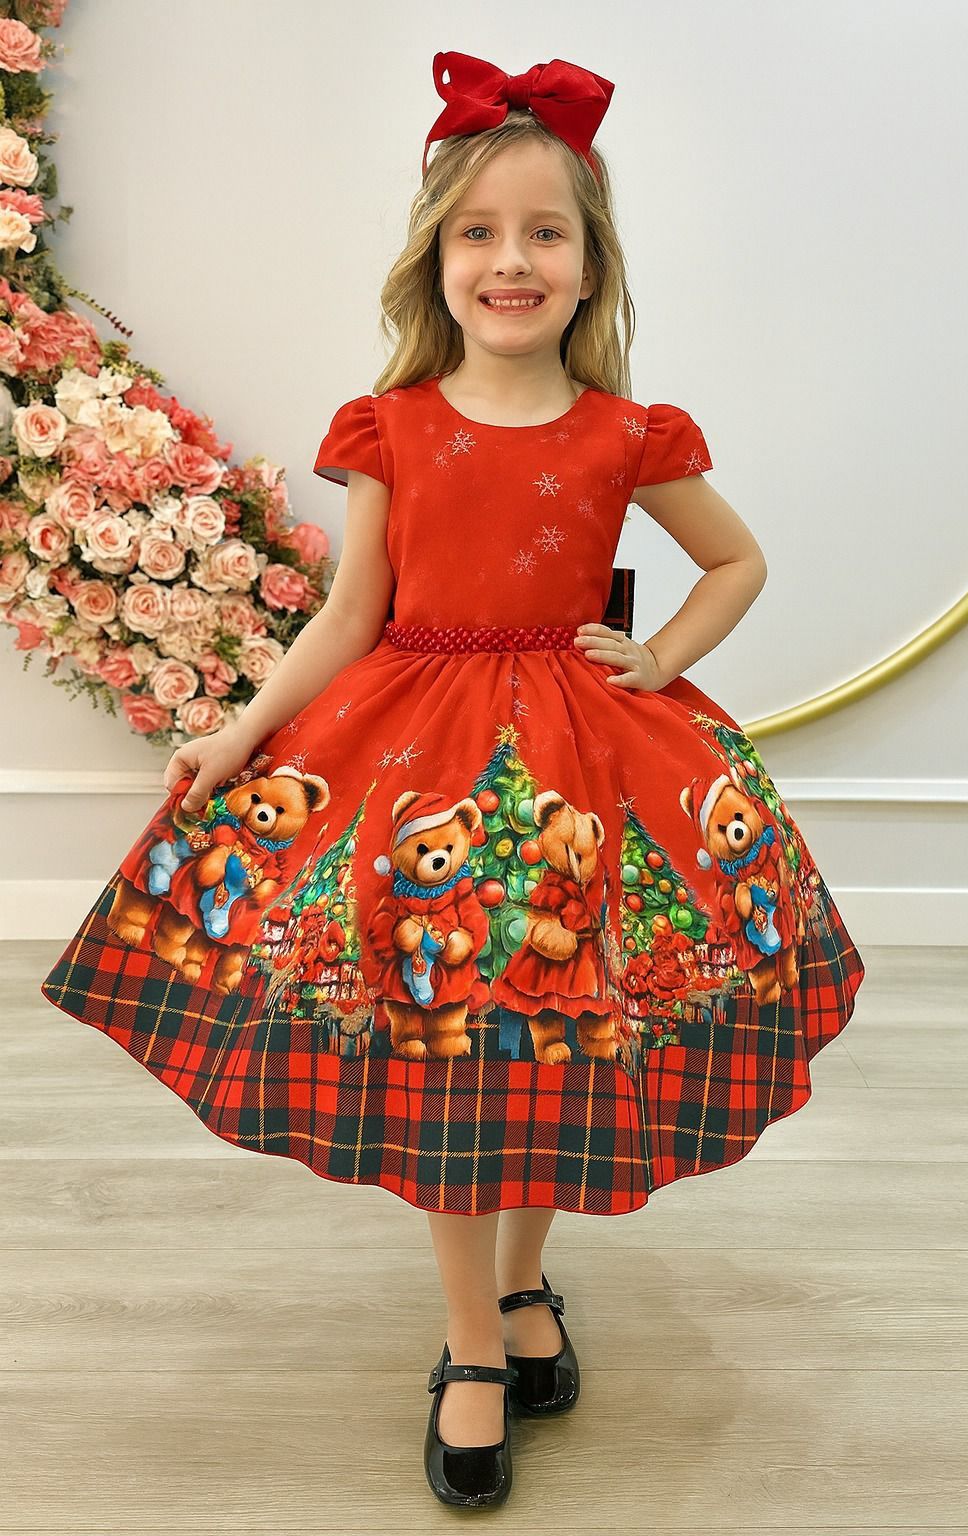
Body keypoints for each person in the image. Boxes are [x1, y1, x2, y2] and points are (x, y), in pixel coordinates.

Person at [41, 48, 867, 1510]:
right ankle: (474, 1341)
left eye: (547, 232)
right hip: (422, 769)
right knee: (448, 1057)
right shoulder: (397, 426)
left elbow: (736, 561)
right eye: (480, 232)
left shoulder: (628, 433)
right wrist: (240, 730)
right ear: (437, 257)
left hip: (578, 781)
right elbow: (348, 617)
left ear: (592, 265)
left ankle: (527, 1281)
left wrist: (661, 656)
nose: (512, 260)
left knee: (549, 1046)